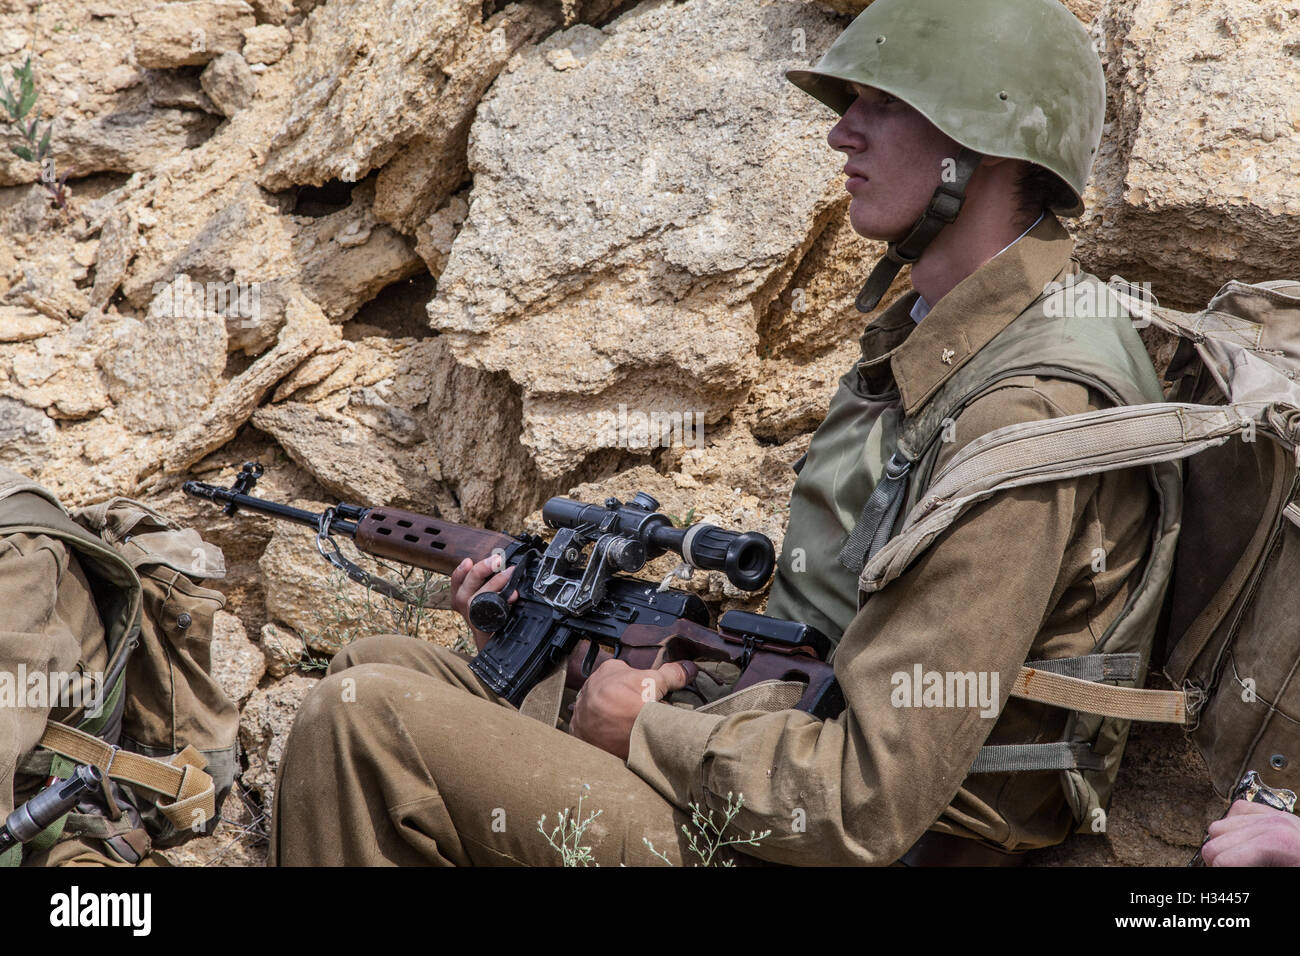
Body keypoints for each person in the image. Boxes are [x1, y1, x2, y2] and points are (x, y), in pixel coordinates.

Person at [270, 0, 1174, 866]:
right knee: (382, 663)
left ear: (980, 147)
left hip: (855, 846)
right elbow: (823, 640)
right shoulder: (945, 335)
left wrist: (650, 731)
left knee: (364, 719)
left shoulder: (1025, 408)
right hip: (777, 756)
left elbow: (868, 802)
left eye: (884, 106)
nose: (841, 133)